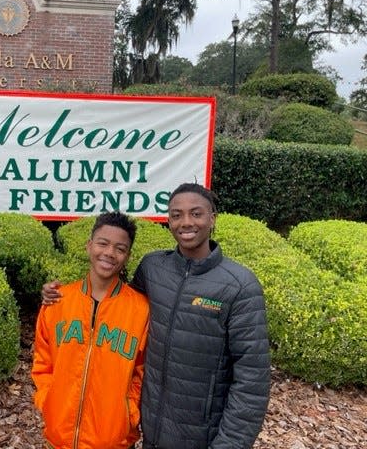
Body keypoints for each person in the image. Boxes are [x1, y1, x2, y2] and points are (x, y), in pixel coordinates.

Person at [42, 183, 271, 449]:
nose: (186, 222)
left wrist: (229, 444)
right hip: (152, 430)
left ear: (212, 218)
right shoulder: (153, 268)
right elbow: (114, 304)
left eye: (196, 214)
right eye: (176, 214)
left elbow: (252, 381)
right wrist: (59, 296)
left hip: (203, 436)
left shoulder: (240, 286)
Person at [31, 211, 149, 449]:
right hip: (59, 437)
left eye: (120, 248)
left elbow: (143, 370)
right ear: (89, 246)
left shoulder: (140, 309)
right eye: (103, 243)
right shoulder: (58, 302)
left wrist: (128, 412)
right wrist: (49, 401)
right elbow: (43, 362)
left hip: (112, 440)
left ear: (127, 256)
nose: (109, 253)